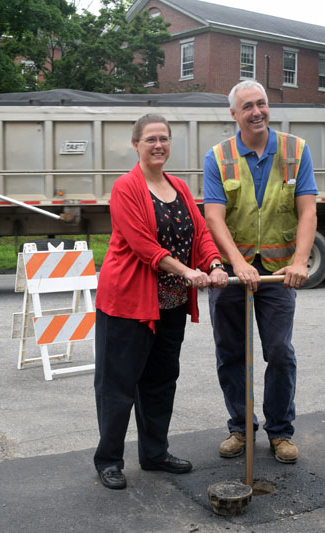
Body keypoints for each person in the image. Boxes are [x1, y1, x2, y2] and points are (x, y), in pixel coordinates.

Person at [94, 113, 230, 490]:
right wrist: (188, 272)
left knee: (160, 382)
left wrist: (214, 263)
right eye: (151, 139)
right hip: (127, 304)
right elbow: (143, 245)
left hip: (169, 306)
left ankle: (154, 454)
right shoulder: (126, 188)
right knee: (118, 386)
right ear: (136, 144)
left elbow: (200, 231)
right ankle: (108, 460)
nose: (158, 145)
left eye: (164, 139)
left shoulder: (180, 188)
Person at [203, 80, 318, 464]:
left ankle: (280, 432)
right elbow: (214, 217)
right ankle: (240, 427)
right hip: (232, 274)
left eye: (262, 104)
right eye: (248, 106)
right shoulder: (218, 156)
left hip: (277, 271)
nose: (257, 112)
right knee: (231, 353)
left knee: (280, 352)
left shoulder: (295, 150)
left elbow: (307, 211)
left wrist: (300, 261)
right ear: (233, 115)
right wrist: (236, 262)